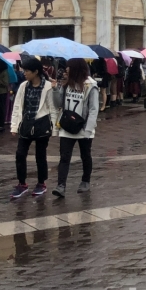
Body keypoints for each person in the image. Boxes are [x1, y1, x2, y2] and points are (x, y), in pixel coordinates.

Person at [51, 58, 100, 196]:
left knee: (85, 155)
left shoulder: (90, 86)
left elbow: (93, 109)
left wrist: (88, 130)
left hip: (83, 127)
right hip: (67, 126)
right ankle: (60, 185)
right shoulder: (66, 84)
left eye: (68, 68)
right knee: (64, 157)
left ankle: (85, 181)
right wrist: (56, 89)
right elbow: (58, 104)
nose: (66, 70)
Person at [9, 57, 56, 198]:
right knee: (20, 154)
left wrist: (54, 128)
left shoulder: (48, 86)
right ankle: (22, 183)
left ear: (36, 72)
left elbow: (53, 108)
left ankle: (41, 183)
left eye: (27, 71)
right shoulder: (24, 86)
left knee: (40, 155)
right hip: (26, 124)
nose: (24, 73)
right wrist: (14, 125)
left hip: (42, 124)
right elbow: (17, 106)